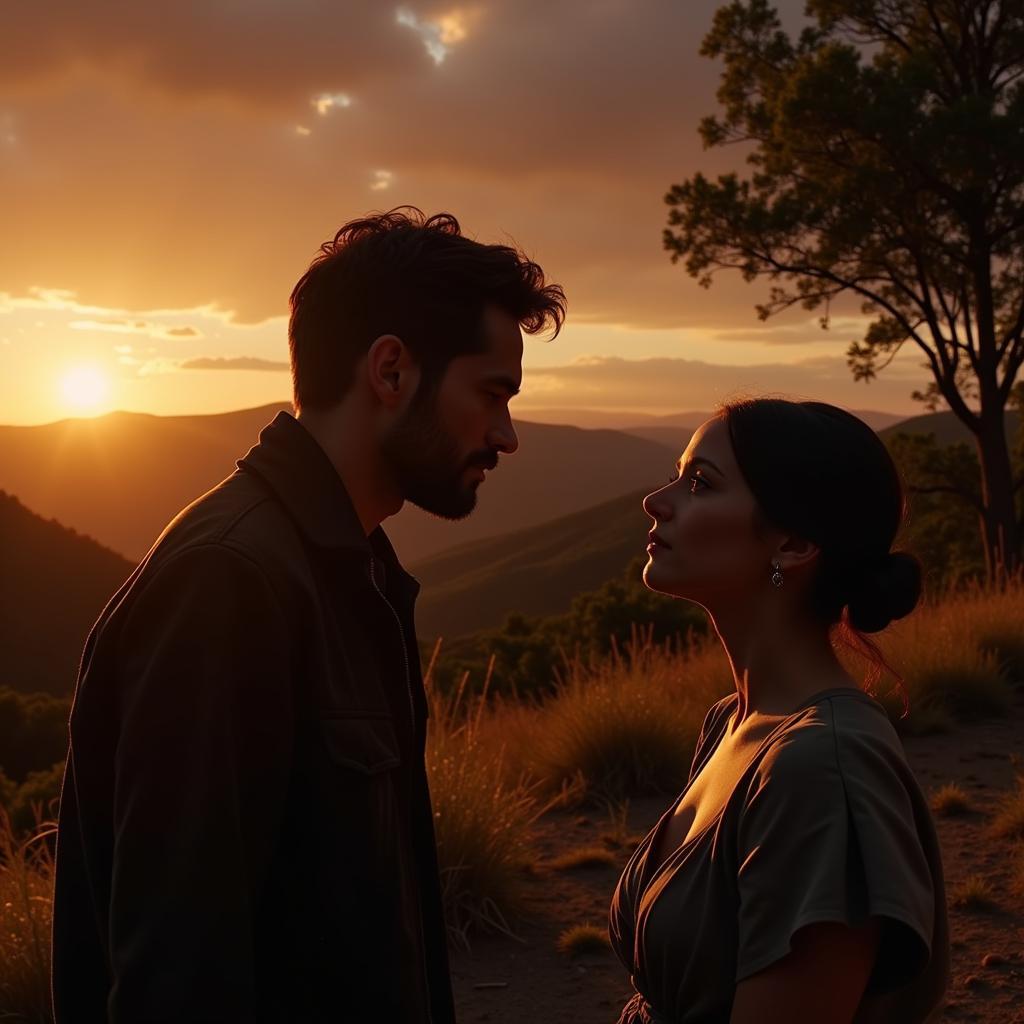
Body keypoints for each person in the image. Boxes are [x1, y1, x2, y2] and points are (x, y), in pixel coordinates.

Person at [50, 208, 565, 1022]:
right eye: (492, 393)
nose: (505, 436)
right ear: (391, 371)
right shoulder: (229, 581)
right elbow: (177, 971)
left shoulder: (349, 568)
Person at [609, 397, 950, 1024]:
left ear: (792, 543)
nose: (655, 501)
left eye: (700, 483)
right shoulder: (732, 722)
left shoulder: (820, 769)